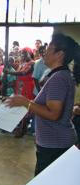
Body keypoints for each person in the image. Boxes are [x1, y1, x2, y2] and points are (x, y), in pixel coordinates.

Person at [6, 33, 80, 176]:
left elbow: (53, 114)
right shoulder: (60, 75)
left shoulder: (58, 78)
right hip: (54, 142)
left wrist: (26, 102)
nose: (44, 51)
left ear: (59, 54)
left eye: (49, 48)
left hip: (55, 145)